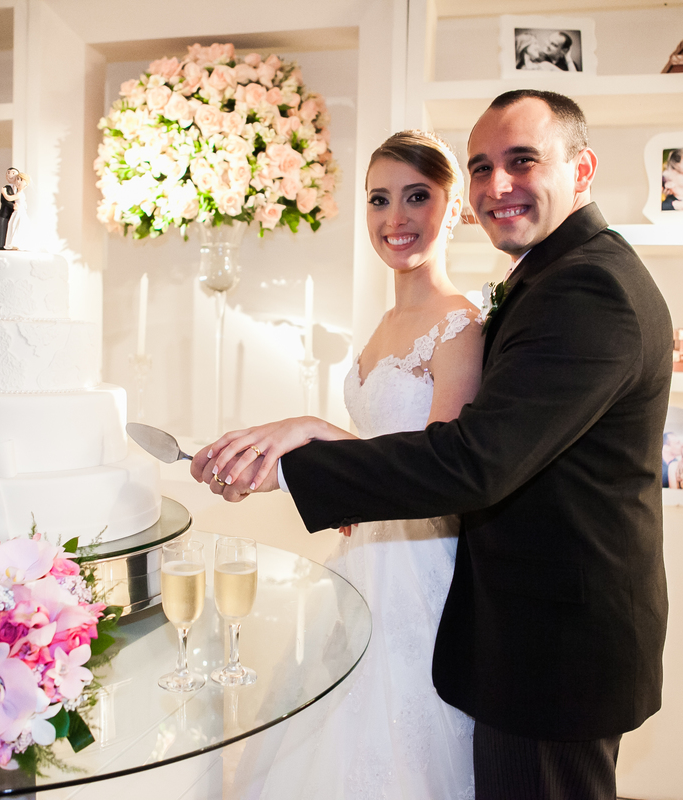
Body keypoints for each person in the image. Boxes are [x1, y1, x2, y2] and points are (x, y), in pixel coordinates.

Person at [195, 89, 673, 800]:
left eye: (522, 161)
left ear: (582, 167)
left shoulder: (587, 289)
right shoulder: (550, 276)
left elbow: (471, 461)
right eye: (482, 167)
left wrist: (299, 459)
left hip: (554, 644)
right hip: (519, 621)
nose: (497, 186)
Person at [219, 130, 483, 799]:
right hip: (366, 553)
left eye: (417, 196)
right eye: (379, 199)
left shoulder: (460, 326)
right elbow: (379, 448)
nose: (395, 217)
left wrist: (311, 431)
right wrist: (353, 497)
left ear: (453, 207)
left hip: (421, 569)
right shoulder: (386, 323)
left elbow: (441, 472)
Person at [2, 172, 33, 250]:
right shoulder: (19, 193)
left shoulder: (20, 194)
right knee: (13, 226)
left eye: (21, 180)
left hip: (19, 213)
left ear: (25, 184)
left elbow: (9, 198)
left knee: (17, 226)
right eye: (17, 179)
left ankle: (17, 243)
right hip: (17, 212)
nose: (18, 182)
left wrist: (4, 192)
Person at [0, 167, 19, 249]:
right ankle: (1, 245)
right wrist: (13, 206)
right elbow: (4, 201)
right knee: (3, 228)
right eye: (8, 173)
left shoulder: (17, 189)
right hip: (5, 212)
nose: (10, 175)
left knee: (10, 228)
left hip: (13, 214)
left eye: (13, 173)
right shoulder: (6, 188)